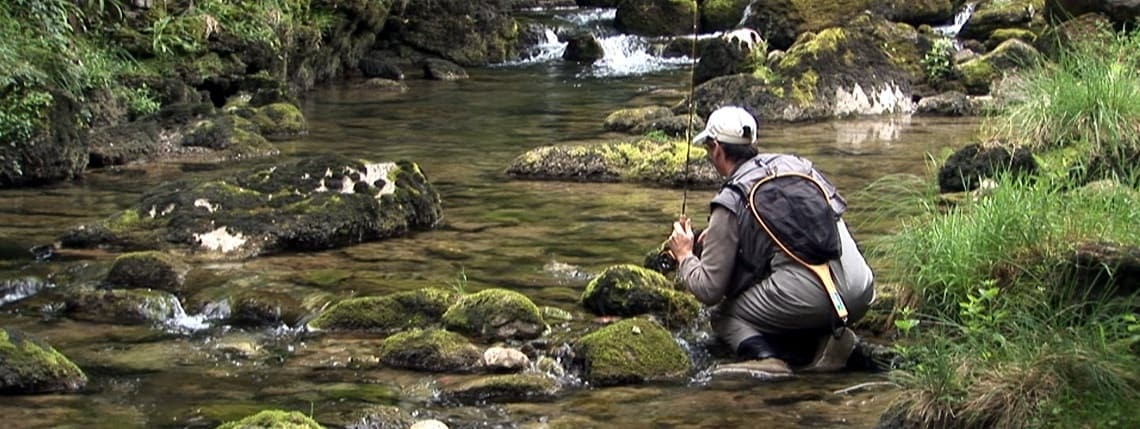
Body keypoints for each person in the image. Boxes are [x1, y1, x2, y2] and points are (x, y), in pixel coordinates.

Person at [667, 106, 875, 376]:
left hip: (815, 300)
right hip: (862, 290)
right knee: (787, 280)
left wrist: (684, 255)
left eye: (708, 149)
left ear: (716, 148)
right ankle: (829, 343)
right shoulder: (800, 166)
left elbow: (709, 291)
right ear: (751, 143)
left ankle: (766, 359)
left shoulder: (730, 200)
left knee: (724, 315)